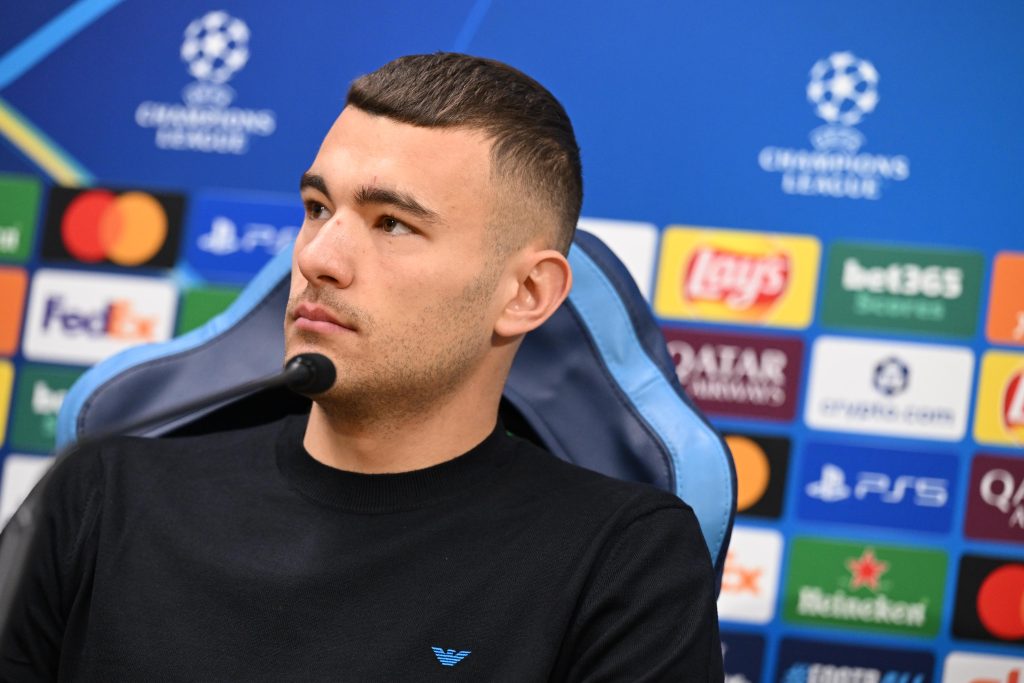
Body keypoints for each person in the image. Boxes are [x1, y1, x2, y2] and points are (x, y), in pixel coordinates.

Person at [0, 53, 723, 681]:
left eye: (392, 223)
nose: (317, 258)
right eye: (317, 208)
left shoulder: (625, 559)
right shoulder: (99, 495)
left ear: (526, 294)